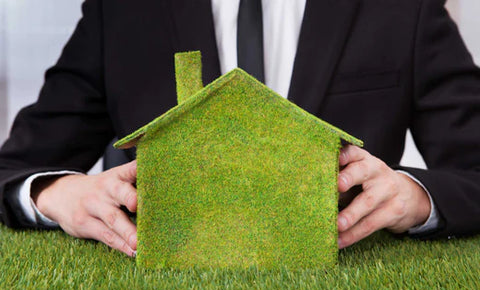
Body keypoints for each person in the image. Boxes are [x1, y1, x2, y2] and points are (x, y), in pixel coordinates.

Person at [0, 0, 479, 257]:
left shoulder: (404, 7)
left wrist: (417, 197)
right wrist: (56, 192)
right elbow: (14, 165)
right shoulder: (123, 9)